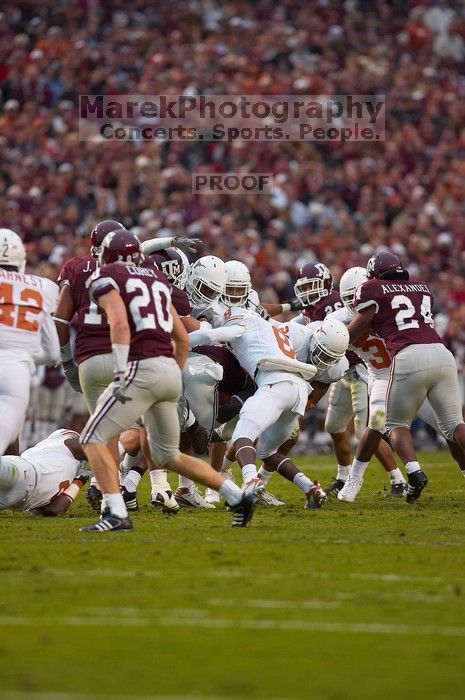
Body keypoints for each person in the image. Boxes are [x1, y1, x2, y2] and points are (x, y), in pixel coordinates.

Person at [79, 229, 254, 531]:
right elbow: (183, 340)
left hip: (139, 367)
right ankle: (237, 497)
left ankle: (116, 512)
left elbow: (119, 323)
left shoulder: (105, 276)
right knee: (168, 454)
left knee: (91, 438)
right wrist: (174, 374)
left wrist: (121, 372)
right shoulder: (158, 282)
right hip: (168, 373)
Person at [346, 250, 465, 503]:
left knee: (395, 424)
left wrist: (337, 341)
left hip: (407, 357)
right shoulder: (420, 287)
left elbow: (357, 328)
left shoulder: (371, 289)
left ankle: (413, 471)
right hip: (442, 353)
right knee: (455, 425)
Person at [188, 305, 329, 509]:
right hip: (298, 388)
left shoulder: (241, 323)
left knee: (241, 436)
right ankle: (310, 488)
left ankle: (250, 480)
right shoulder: (272, 329)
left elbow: (210, 334)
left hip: (274, 383)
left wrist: (179, 342)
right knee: (268, 451)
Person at [0, 228, 60, 456]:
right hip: (17, 372)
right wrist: (24, 354)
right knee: (10, 436)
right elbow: (53, 353)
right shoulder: (41, 286)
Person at [0, 429, 90, 514]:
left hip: (16, 498)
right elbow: (95, 449)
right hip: (25, 474)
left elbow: (53, 510)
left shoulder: (45, 454)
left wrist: (81, 480)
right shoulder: (66, 446)